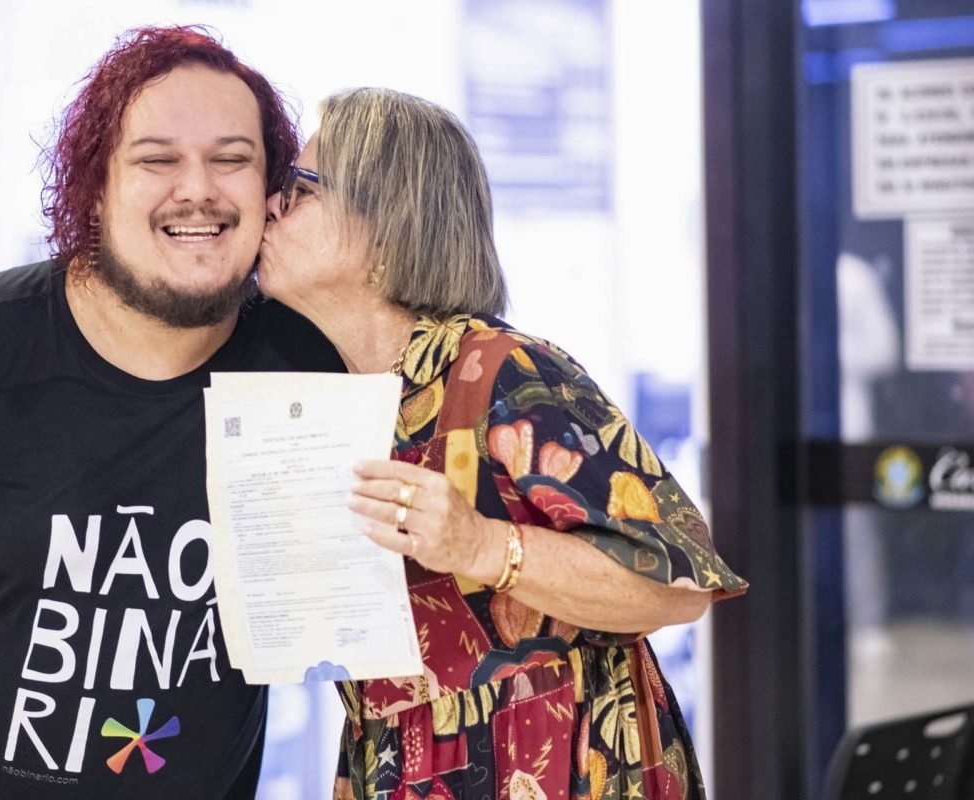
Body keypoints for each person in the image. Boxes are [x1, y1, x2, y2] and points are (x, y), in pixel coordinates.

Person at [0, 26, 341, 800]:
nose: (198, 189)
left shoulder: (310, 366)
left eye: (232, 159)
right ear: (99, 185)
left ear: (271, 190)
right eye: (157, 159)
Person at [259, 87, 748, 800]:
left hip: (564, 768)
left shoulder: (503, 374)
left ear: (385, 226)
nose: (272, 206)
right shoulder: (329, 403)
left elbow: (675, 585)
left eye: (301, 187)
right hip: (403, 767)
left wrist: (484, 546)